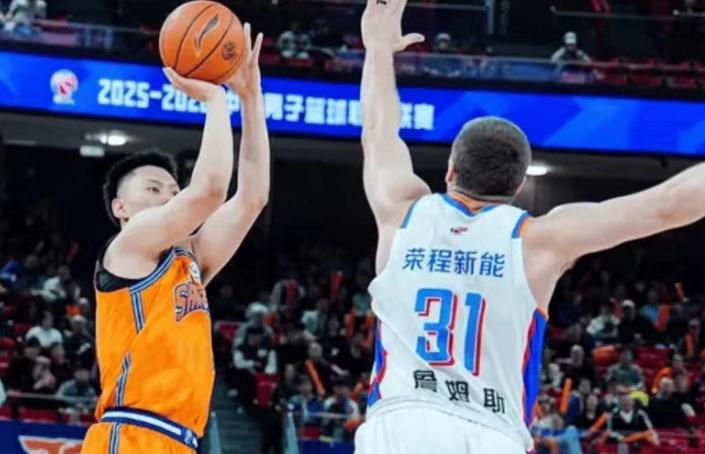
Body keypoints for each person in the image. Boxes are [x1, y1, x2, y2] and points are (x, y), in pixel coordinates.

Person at [354, 0, 705, 452]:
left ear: (451, 171)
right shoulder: (538, 240)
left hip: (399, 423)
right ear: (519, 186)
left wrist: (378, 50)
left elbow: (377, 132)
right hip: (489, 433)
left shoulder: (401, 212)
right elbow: (669, 205)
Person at [81, 24, 271, 454]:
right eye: (153, 189)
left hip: (181, 439)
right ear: (121, 207)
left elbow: (252, 197)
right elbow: (210, 190)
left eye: (172, 190)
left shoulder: (190, 258)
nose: (168, 196)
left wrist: (250, 99)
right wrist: (215, 100)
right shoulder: (128, 246)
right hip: (131, 433)